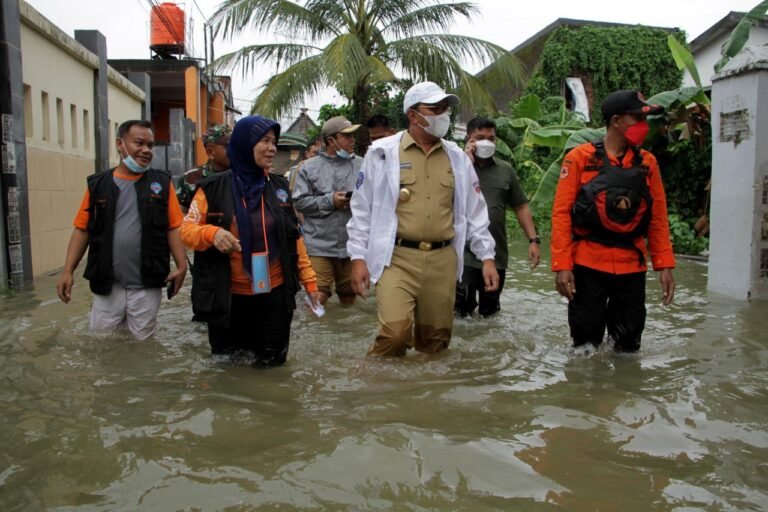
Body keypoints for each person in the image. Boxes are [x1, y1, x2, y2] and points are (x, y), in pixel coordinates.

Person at [347, 81, 499, 357]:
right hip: (396, 258)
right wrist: (358, 259)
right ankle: (375, 392)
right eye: (435, 109)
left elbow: (475, 211)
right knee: (394, 336)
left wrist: (487, 257)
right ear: (413, 114)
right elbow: (361, 210)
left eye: (445, 109)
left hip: (442, 260)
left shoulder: (458, 158)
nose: (443, 115)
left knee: (436, 344)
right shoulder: (381, 153)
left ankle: (426, 398)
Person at [180, 115, 320, 366]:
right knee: (228, 368)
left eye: (274, 141)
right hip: (228, 298)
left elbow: (294, 238)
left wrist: (310, 282)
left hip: (274, 294)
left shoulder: (278, 186)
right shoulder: (212, 188)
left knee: (273, 367)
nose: (272, 148)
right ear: (245, 144)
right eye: (264, 141)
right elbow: (187, 231)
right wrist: (212, 233)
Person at [551, 89, 676, 352]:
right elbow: (562, 214)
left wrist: (664, 264)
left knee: (629, 345)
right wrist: (562, 265)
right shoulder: (580, 159)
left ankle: (623, 391)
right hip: (587, 263)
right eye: (637, 119)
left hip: (632, 265)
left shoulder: (647, 163)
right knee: (585, 344)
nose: (643, 126)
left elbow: (658, 218)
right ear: (617, 121)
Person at [56, 120, 187, 340]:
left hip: (147, 285)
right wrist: (68, 271)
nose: (146, 150)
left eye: (150, 145)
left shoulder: (162, 184)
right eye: (139, 143)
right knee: (102, 343)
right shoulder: (98, 185)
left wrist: (182, 266)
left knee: (143, 346)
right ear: (120, 144)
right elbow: (82, 230)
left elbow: (173, 228)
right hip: (107, 284)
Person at [457, 117, 541, 317]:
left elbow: (520, 206)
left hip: (496, 256)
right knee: (460, 315)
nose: (486, 142)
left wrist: (533, 240)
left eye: (491, 138)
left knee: (490, 316)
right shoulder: (455, 166)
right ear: (469, 138)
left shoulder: (505, 170)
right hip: (462, 255)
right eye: (480, 137)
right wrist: (464, 164)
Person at [292, 116, 363, 306]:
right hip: (318, 245)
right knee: (317, 297)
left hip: (351, 245)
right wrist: (330, 200)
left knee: (349, 296)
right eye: (346, 136)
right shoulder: (308, 167)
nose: (352, 140)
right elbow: (299, 202)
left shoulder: (363, 165)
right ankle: (315, 334)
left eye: (352, 136)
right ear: (331, 141)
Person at [176, 125, 232, 212]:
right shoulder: (190, 178)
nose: (235, 150)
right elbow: (180, 216)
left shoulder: (241, 177)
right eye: (229, 146)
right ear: (210, 152)